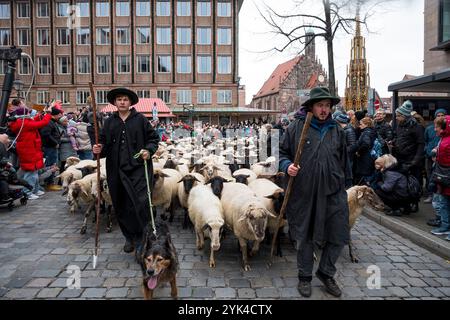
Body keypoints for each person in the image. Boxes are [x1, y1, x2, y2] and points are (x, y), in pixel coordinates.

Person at [279, 86, 351, 298]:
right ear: (311, 106)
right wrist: (287, 166)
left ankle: (326, 272)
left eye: (327, 106)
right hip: (305, 192)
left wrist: (346, 183)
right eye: (320, 105)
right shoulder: (296, 127)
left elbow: (344, 160)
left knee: (339, 235)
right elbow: (282, 153)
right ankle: (304, 277)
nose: (324, 110)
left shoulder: (337, 129)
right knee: (305, 236)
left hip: (333, 191)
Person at [93, 88, 160, 255]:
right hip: (116, 170)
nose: (122, 102)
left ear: (130, 102)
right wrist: (98, 148)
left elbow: (153, 139)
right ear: (115, 103)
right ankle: (129, 237)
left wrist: (148, 151)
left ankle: (141, 237)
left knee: (139, 203)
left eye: (125, 99)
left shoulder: (141, 120)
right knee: (121, 203)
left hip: (138, 169)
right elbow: (103, 143)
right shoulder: (109, 122)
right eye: (119, 99)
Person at [8, 106, 52, 199]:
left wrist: (42, 114)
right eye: (28, 113)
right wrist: (48, 114)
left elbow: (34, 120)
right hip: (29, 150)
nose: (30, 114)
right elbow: (42, 123)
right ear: (25, 115)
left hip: (30, 149)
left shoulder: (22, 122)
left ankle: (34, 190)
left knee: (34, 171)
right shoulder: (24, 123)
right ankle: (27, 192)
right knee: (31, 172)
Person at [391, 100, 425, 213]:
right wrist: (394, 142)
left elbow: (421, 145)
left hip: (412, 160)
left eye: (398, 116)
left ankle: (414, 203)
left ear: (405, 116)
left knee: (413, 184)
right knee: (402, 184)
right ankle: (405, 205)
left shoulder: (417, 127)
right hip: (400, 158)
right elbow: (399, 138)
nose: (396, 118)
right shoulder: (400, 125)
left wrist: (415, 161)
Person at [429, 115, 450, 240]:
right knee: (444, 203)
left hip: (446, 175)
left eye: (437, 127)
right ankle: (445, 226)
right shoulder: (443, 139)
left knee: (446, 203)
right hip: (443, 176)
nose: (435, 129)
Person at [424, 109, 447, 204]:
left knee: (440, 177)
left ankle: (440, 196)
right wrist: (427, 150)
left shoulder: (446, 128)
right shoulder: (429, 128)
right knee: (429, 176)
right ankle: (431, 195)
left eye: (442, 115)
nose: (440, 117)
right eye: (438, 115)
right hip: (429, 156)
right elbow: (425, 141)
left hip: (441, 157)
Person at [39, 107, 64, 191]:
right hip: (50, 147)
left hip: (51, 147)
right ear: (55, 115)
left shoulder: (52, 121)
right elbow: (46, 134)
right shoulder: (49, 122)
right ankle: (49, 183)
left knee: (53, 165)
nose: (60, 116)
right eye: (59, 115)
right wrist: (55, 143)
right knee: (51, 165)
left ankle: (50, 182)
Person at [351, 117, 377, 185]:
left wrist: (359, 152)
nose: (359, 126)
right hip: (369, 156)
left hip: (365, 158)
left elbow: (366, 144)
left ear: (366, 124)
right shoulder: (371, 131)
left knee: (364, 176)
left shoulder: (366, 133)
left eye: (361, 124)